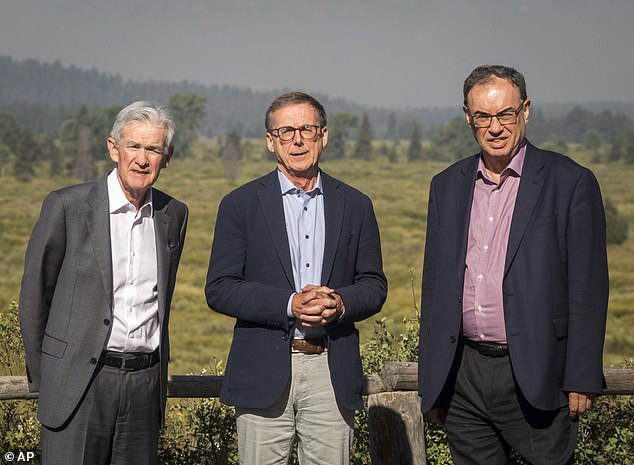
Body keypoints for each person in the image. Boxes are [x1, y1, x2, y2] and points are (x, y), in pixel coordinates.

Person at [418, 65, 609, 465]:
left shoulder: (571, 181)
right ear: (468, 117)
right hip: (463, 375)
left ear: (525, 111)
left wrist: (582, 375)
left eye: (505, 114)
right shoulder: (447, 184)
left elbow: (588, 290)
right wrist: (432, 380)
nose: (495, 127)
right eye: (483, 116)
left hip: (538, 372)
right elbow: (436, 285)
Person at [205, 91, 387, 464]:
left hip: (331, 370)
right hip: (263, 370)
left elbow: (374, 284)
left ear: (325, 135)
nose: (298, 139)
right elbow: (220, 288)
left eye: (307, 128)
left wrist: (340, 304)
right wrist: (289, 304)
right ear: (270, 141)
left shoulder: (356, 204)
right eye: (286, 131)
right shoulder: (239, 205)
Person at [19, 101, 188, 465]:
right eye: (134, 146)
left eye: (154, 149)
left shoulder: (174, 214)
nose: (142, 159)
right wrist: (48, 380)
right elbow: (34, 296)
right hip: (77, 385)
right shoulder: (67, 206)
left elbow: (164, 298)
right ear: (113, 148)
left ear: (167, 157)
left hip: (144, 388)